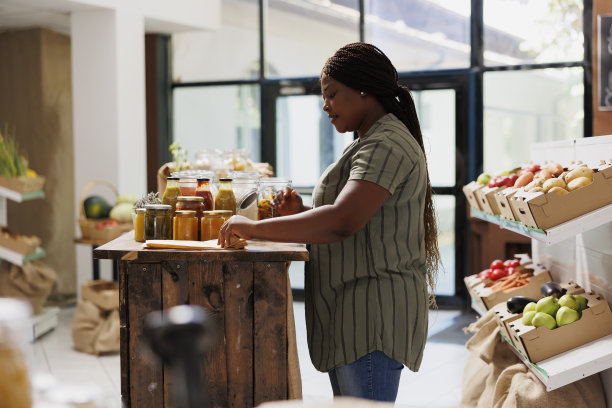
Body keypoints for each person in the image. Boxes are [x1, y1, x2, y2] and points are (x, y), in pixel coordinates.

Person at [218, 42, 441, 402]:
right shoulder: (370, 140)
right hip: (353, 315)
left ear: (363, 89)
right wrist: (300, 212)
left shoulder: (385, 144)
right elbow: (358, 219)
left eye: (332, 94)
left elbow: (342, 221)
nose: (326, 106)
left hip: (372, 320)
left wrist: (252, 228)